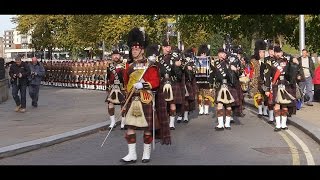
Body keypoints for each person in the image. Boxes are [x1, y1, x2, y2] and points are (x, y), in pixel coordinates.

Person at [120, 27, 169, 164]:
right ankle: (132, 154)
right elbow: (126, 82)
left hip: (145, 98)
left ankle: (146, 154)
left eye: (136, 49)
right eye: (132, 49)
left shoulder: (150, 65)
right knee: (130, 127)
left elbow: (156, 82)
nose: (133, 51)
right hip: (131, 98)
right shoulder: (128, 65)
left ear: (142, 50)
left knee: (147, 129)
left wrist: (143, 84)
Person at [264, 46, 297, 131]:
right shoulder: (270, 62)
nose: (278, 54)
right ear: (274, 53)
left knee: (285, 105)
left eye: (280, 52)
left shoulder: (287, 60)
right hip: (276, 84)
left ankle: (283, 124)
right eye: (276, 52)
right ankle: (278, 125)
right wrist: (267, 89)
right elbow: (267, 77)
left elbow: (293, 69)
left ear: (282, 52)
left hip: (286, 84)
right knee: (277, 105)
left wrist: (293, 60)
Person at [157, 38, 183, 130]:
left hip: (172, 81)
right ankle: (164, 121)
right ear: (162, 48)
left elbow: (180, 72)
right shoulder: (159, 58)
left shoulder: (174, 57)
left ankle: (172, 123)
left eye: (168, 47)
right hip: (162, 82)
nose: (167, 48)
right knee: (163, 104)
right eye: (165, 47)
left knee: (172, 102)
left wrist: (177, 66)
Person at [105, 49, 126, 130]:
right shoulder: (109, 66)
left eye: (117, 55)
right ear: (112, 57)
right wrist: (107, 88)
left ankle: (123, 123)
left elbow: (126, 77)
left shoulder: (124, 65)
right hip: (112, 87)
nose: (116, 56)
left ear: (120, 56)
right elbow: (108, 77)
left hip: (122, 87)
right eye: (114, 55)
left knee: (123, 105)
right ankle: (112, 122)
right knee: (110, 104)